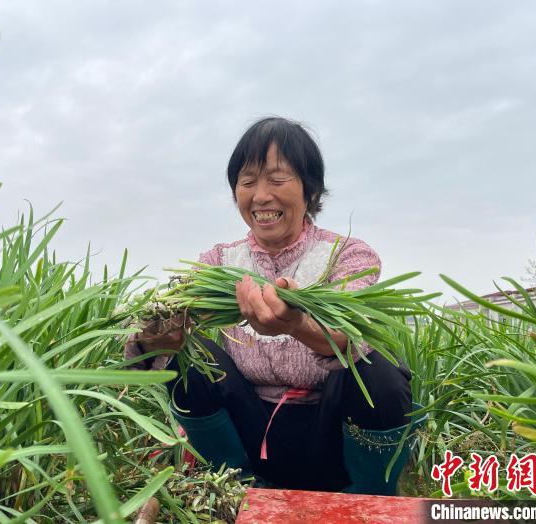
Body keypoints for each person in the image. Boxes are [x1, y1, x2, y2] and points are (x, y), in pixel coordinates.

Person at [125, 116, 415, 494]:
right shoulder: (218, 261)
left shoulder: (348, 256)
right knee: (191, 359)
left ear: (310, 190)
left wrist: (296, 325)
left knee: (378, 370)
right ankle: (230, 485)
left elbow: (349, 335)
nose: (261, 196)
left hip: (329, 433)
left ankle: (370, 495)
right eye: (247, 182)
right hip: (248, 426)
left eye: (277, 180)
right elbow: (140, 350)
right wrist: (155, 337)